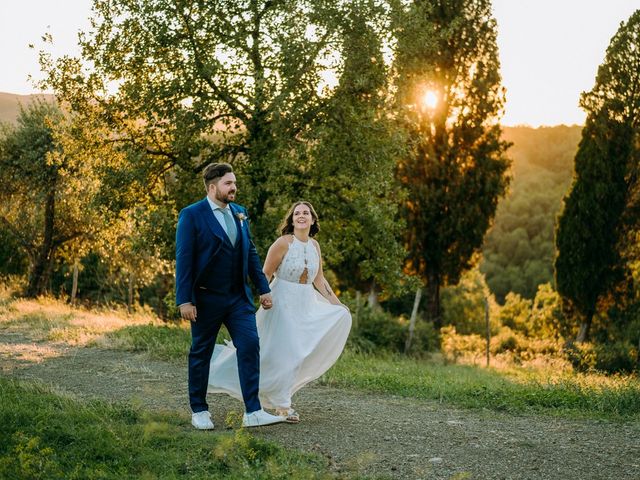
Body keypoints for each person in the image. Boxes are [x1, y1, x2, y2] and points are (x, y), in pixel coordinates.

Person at [208, 201, 352, 423]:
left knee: (292, 352)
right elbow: (265, 273)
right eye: (297, 213)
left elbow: (319, 279)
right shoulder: (283, 243)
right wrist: (259, 298)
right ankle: (284, 406)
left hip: (306, 303)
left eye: (306, 213)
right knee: (289, 351)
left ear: (313, 220)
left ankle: (273, 393)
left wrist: (337, 304)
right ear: (292, 220)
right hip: (281, 301)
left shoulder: (315, 246)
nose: (301, 216)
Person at [175, 162, 285, 429]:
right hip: (205, 298)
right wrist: (184, 300)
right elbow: (184, 259)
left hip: (238, 299)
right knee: (201, 352)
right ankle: (199, 410)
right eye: (228, 183)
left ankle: (253, 411)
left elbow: (251, 253)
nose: (234, 187)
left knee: (249, 346)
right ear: (213, 187)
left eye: (234, 182)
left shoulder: (240, 212)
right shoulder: (192, 215)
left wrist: (263, 288)